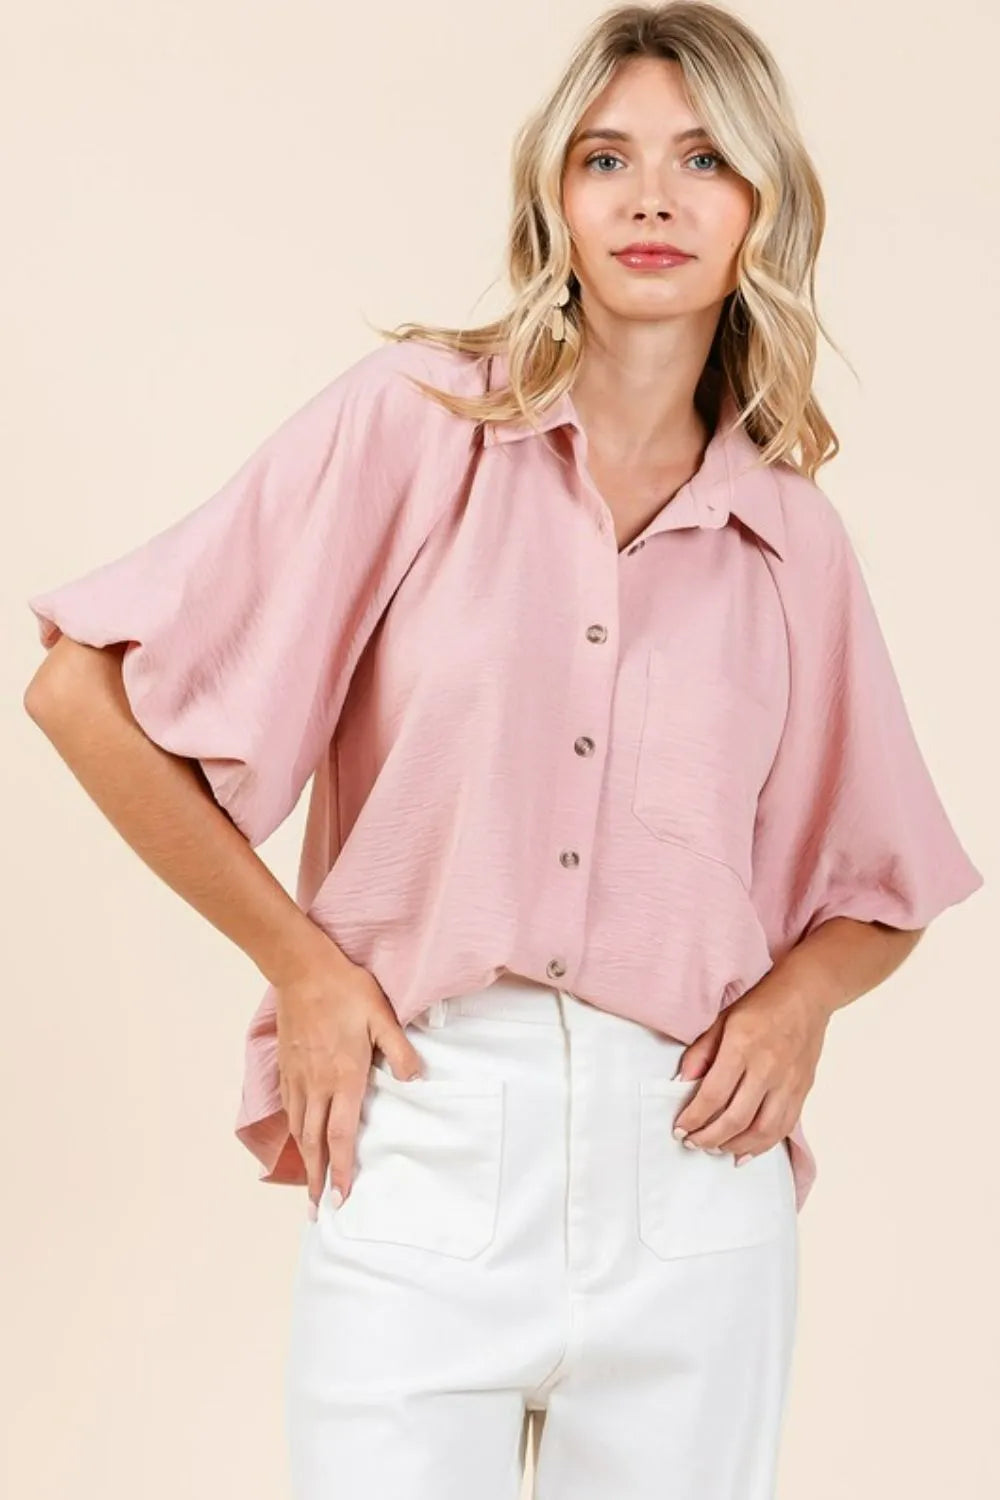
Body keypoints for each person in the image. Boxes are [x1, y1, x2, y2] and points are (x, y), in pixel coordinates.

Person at [23, 4, 984, 1498]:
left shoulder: (791, 536)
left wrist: (801, 1004)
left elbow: (886, 882)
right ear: (555, 196)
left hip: (695, 1178)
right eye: (608, 158)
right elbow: (79, 694)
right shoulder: (417, 425)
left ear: (766, 205)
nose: (652, 197)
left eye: (705, 159)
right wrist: (301, 968)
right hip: (427, 1130)